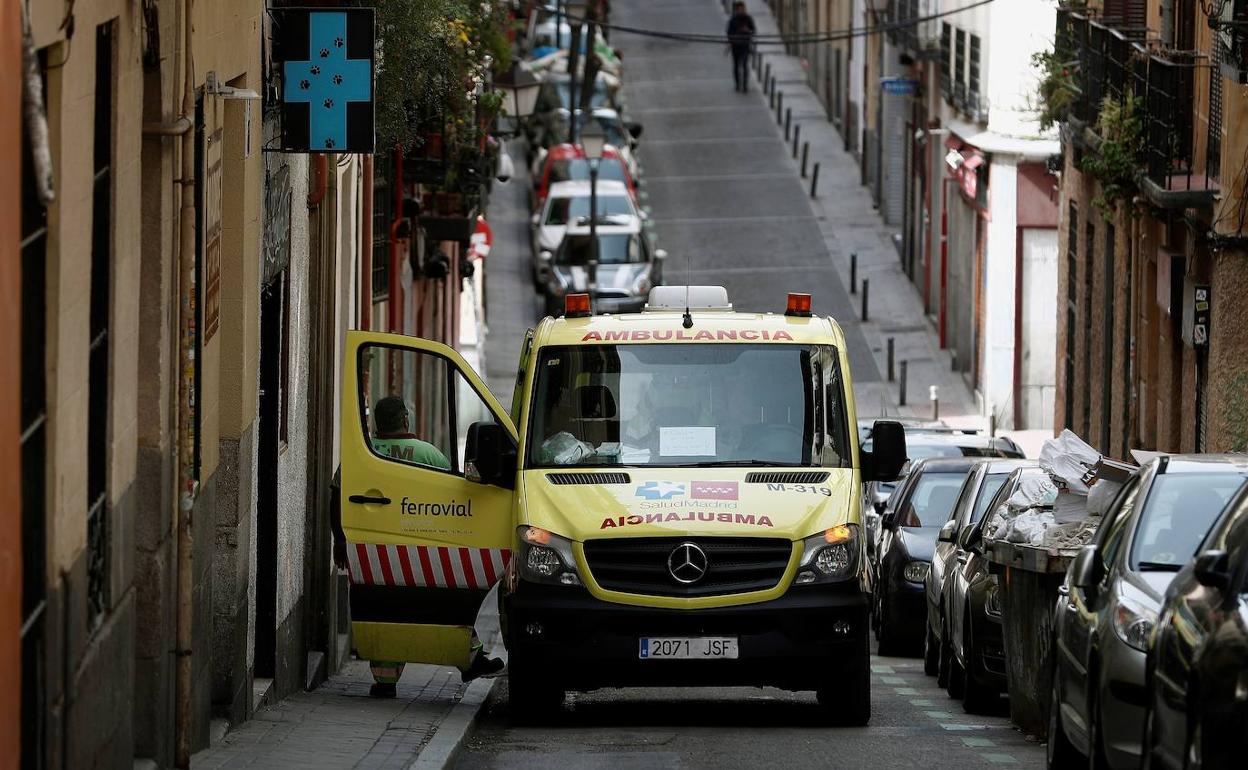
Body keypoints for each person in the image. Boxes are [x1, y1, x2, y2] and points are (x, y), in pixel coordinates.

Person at [339, 396, 504, 698]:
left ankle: (385, 682)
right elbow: (454, 496)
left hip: (377, 549)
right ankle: (470, 658)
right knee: (446, 606)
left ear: (377, 423)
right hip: (423, 549)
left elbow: (339, 491)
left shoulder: (363, 454)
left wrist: (340, 542)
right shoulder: (429, 455)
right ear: (405, 421)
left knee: (384, 610)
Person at [726, 1, 757, 93]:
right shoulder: (733, 20)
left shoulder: (748, 19)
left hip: (745, 46)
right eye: (739, 9)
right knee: (736, 66)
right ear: (737, 10)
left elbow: (753, 30)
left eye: (742, 9)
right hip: (735, 46)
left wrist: (748, 31)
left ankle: (745, 85)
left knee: (744, 65)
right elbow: (729, 32)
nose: (741, 10)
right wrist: (731, 40)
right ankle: (737, 84)